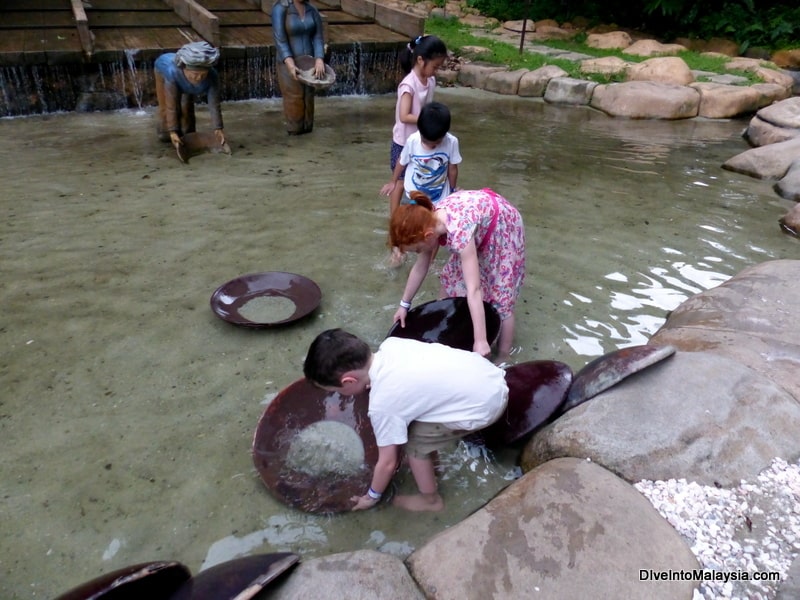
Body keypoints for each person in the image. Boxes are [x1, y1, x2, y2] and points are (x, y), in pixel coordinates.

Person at [303, 328, 508, 512]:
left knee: (413, 443)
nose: (342, 396)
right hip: (490, 377)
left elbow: (388, 463)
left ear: (349, 381)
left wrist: (371, 497)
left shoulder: (382, 403)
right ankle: (434, 467)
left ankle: (430, 500)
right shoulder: (392, 345)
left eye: (338, 391)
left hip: (483, 407)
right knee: (419, 424)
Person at [389, 189, 525, 362]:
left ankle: (504, 356)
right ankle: (447, 325)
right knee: (451, 279)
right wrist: (404, 305)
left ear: (428, 236)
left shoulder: (458, 233)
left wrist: (481, 340)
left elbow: (474, 289)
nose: (418, 253)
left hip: (503, 226)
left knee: (500, 293)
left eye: (417, 249)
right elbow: (420, 267)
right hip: (477, 220)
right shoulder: (427, 222)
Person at [386, 35, 448, 216]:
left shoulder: (430, 81)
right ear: (420, 60)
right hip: (404, 141)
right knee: (400, 181)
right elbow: (404, 116)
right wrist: (429, 117)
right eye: (435, 66)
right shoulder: (408, 85)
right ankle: (394, 219)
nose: (436, 71)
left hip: (422, 139)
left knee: (421, 177)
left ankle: (418, 215)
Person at [381, 101, 461, 205]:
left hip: (439, 194)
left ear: (444, 134)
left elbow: (452, 168)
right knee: (415, 218)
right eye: (425, 142)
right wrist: (393, 182)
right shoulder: (413, 141)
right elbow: (401, 161)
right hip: (414, 193)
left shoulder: (451, 142)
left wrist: (452, 190)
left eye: (435, 144)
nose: (430, 146)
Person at [154, 41, 225, 153]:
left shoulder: (212, 76)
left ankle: (188, 135)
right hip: (164, 75)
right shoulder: (172, 73)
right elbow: (170, 105)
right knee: (167, 113)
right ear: (184, 69)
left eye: (203, 75)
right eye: (195, 74)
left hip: (186, 83)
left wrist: (218, 128)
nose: (199, 78)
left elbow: (214, 104)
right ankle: (167, 133)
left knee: (187, 108)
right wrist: (172, 131)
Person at [272, 0, 326, 135]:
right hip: (289, 63)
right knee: (295, 99)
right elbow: (280, 39)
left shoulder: (312, 9)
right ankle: (294, 139)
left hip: (309, 64)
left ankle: (308, 140)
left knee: (308, 99)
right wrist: (289, 62)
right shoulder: (280, 8)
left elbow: (318, 37)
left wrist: (319, 59)